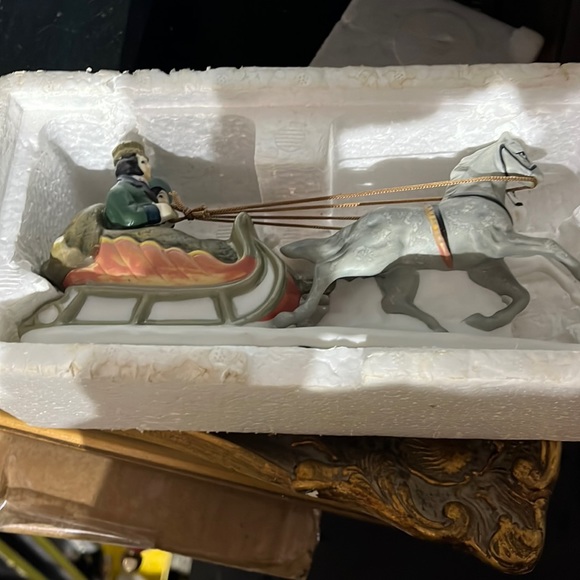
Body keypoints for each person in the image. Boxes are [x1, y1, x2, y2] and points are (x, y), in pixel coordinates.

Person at [103, 141, 178, 229]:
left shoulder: (143, 189)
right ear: (129, 165)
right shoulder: (118, 191)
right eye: (143, 162)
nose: (149, 167)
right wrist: (159, 211)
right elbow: (128, 217)